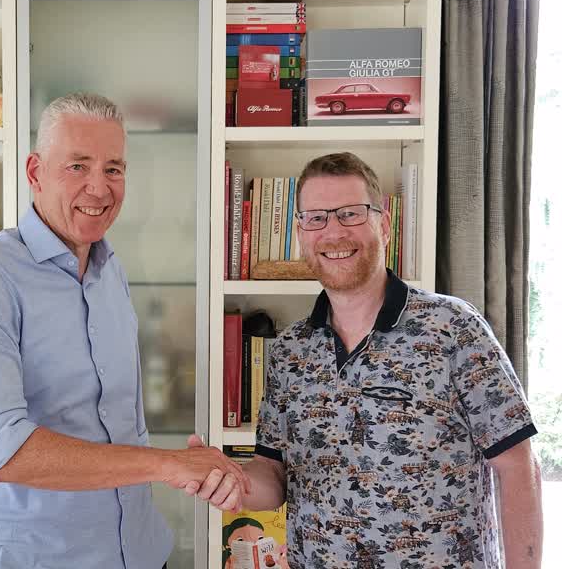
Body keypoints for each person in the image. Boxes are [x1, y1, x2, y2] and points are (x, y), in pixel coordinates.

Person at [188, 152, 543, 568]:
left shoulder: (453, 327)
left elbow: (518, 467)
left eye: (350, 214)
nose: (333, 231)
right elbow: (275, 474)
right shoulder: (288, 351)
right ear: (301, 234)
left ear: (384, 225)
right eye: (316, 218)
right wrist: (230, 480)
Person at [0, 92, 248, 569]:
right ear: (35, 172)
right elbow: (1, 451)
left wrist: (192, 467)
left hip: (140, 551)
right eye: (77, 166)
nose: (99, 188)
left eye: (113, 169)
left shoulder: (110, 270)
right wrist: (168, 464)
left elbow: (122, 419)